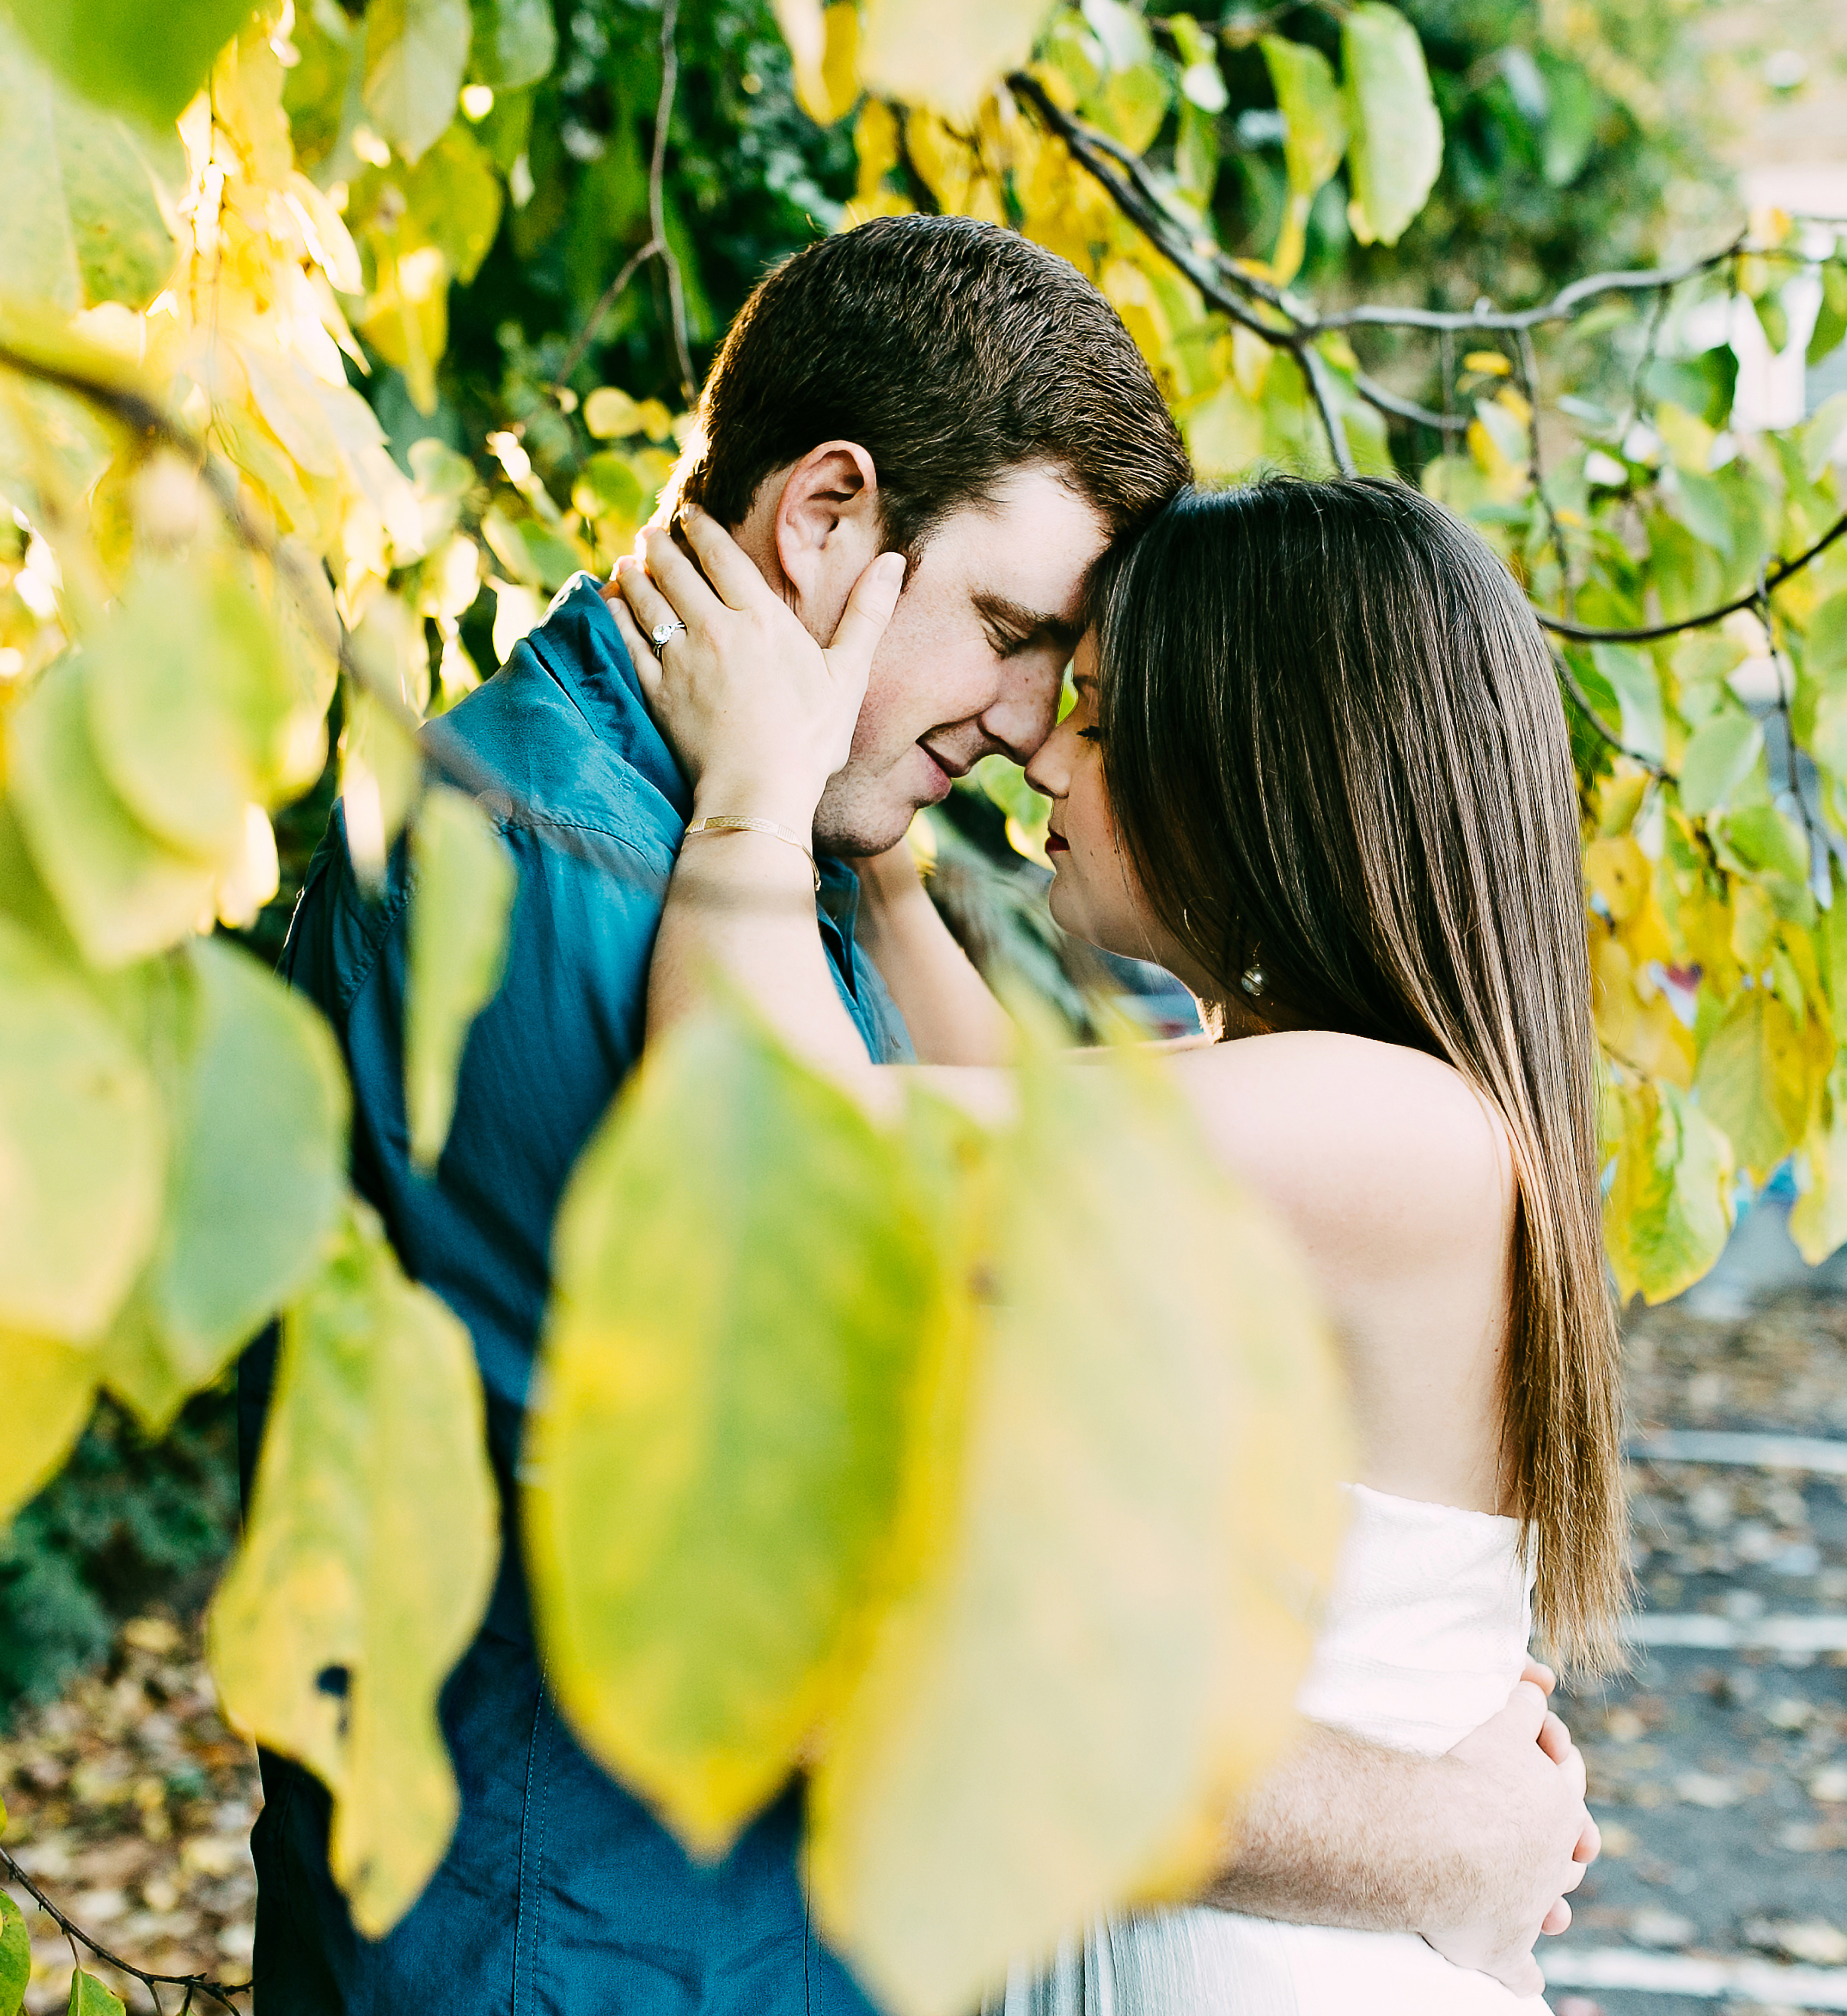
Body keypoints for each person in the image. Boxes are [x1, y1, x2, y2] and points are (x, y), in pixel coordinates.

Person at [251, 212, 1594, 2016]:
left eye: (1095, 697)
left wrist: (800, 822)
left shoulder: (1357, 1118)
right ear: (826, 521)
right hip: (601, 1965)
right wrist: (1435, 1836)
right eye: (1020, 637)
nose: (1039, 734)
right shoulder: (562, 877)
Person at [604, 470, 1623, 2014]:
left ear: (1260, 760)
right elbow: (998, 1108)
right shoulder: (1336, 1107)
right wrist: (879, 858)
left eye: (1095, 710)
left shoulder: (1392, 1130)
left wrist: (754, 787)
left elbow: (775, 1140)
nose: (1042, 762)